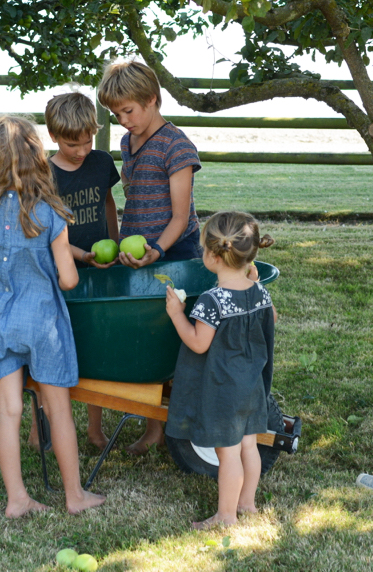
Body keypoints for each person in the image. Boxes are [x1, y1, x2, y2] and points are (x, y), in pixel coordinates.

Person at [0, 115, 105, 518]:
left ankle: (17, 499)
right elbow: (70, 280)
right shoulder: (52, 214)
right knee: (59, 410)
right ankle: (75, 496)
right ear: (37, 157)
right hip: (42, 324)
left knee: (9, 410)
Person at [97, 59, 203, 454]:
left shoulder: (176, 145)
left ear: (153, 99)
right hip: (137, 251)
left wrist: (157, 250)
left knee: (171, 340)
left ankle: (165, 427)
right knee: (145, 336)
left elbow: (180, 216)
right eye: (115, 114)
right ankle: (152, 422)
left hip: (175, 251)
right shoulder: (128, 143)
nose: (123, 121)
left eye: (129, 111)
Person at [163, 211, 277, 529]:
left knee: (227, 454)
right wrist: (252, 282)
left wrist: (176, 314)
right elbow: (272, 319)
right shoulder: (260, 291)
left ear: (213, 256)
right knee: (249, 447)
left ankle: (225, 516)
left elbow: (199, 344)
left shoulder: (212, 300)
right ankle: (247, 503)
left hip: (223, 387)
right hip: (252, 384)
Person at [30, 91, 120, 450]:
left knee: (94, 348)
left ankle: (94, 429)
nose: (82, 151)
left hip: (101, 269)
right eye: (72, 144)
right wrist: (82, 256)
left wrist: (115, 243)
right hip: (59, 272)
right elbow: (43, 231)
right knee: (49, 350)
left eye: (88, 141)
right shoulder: (44, 174)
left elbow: (108, 203)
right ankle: (41, 428)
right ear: (53, 136)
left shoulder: (101, 162)